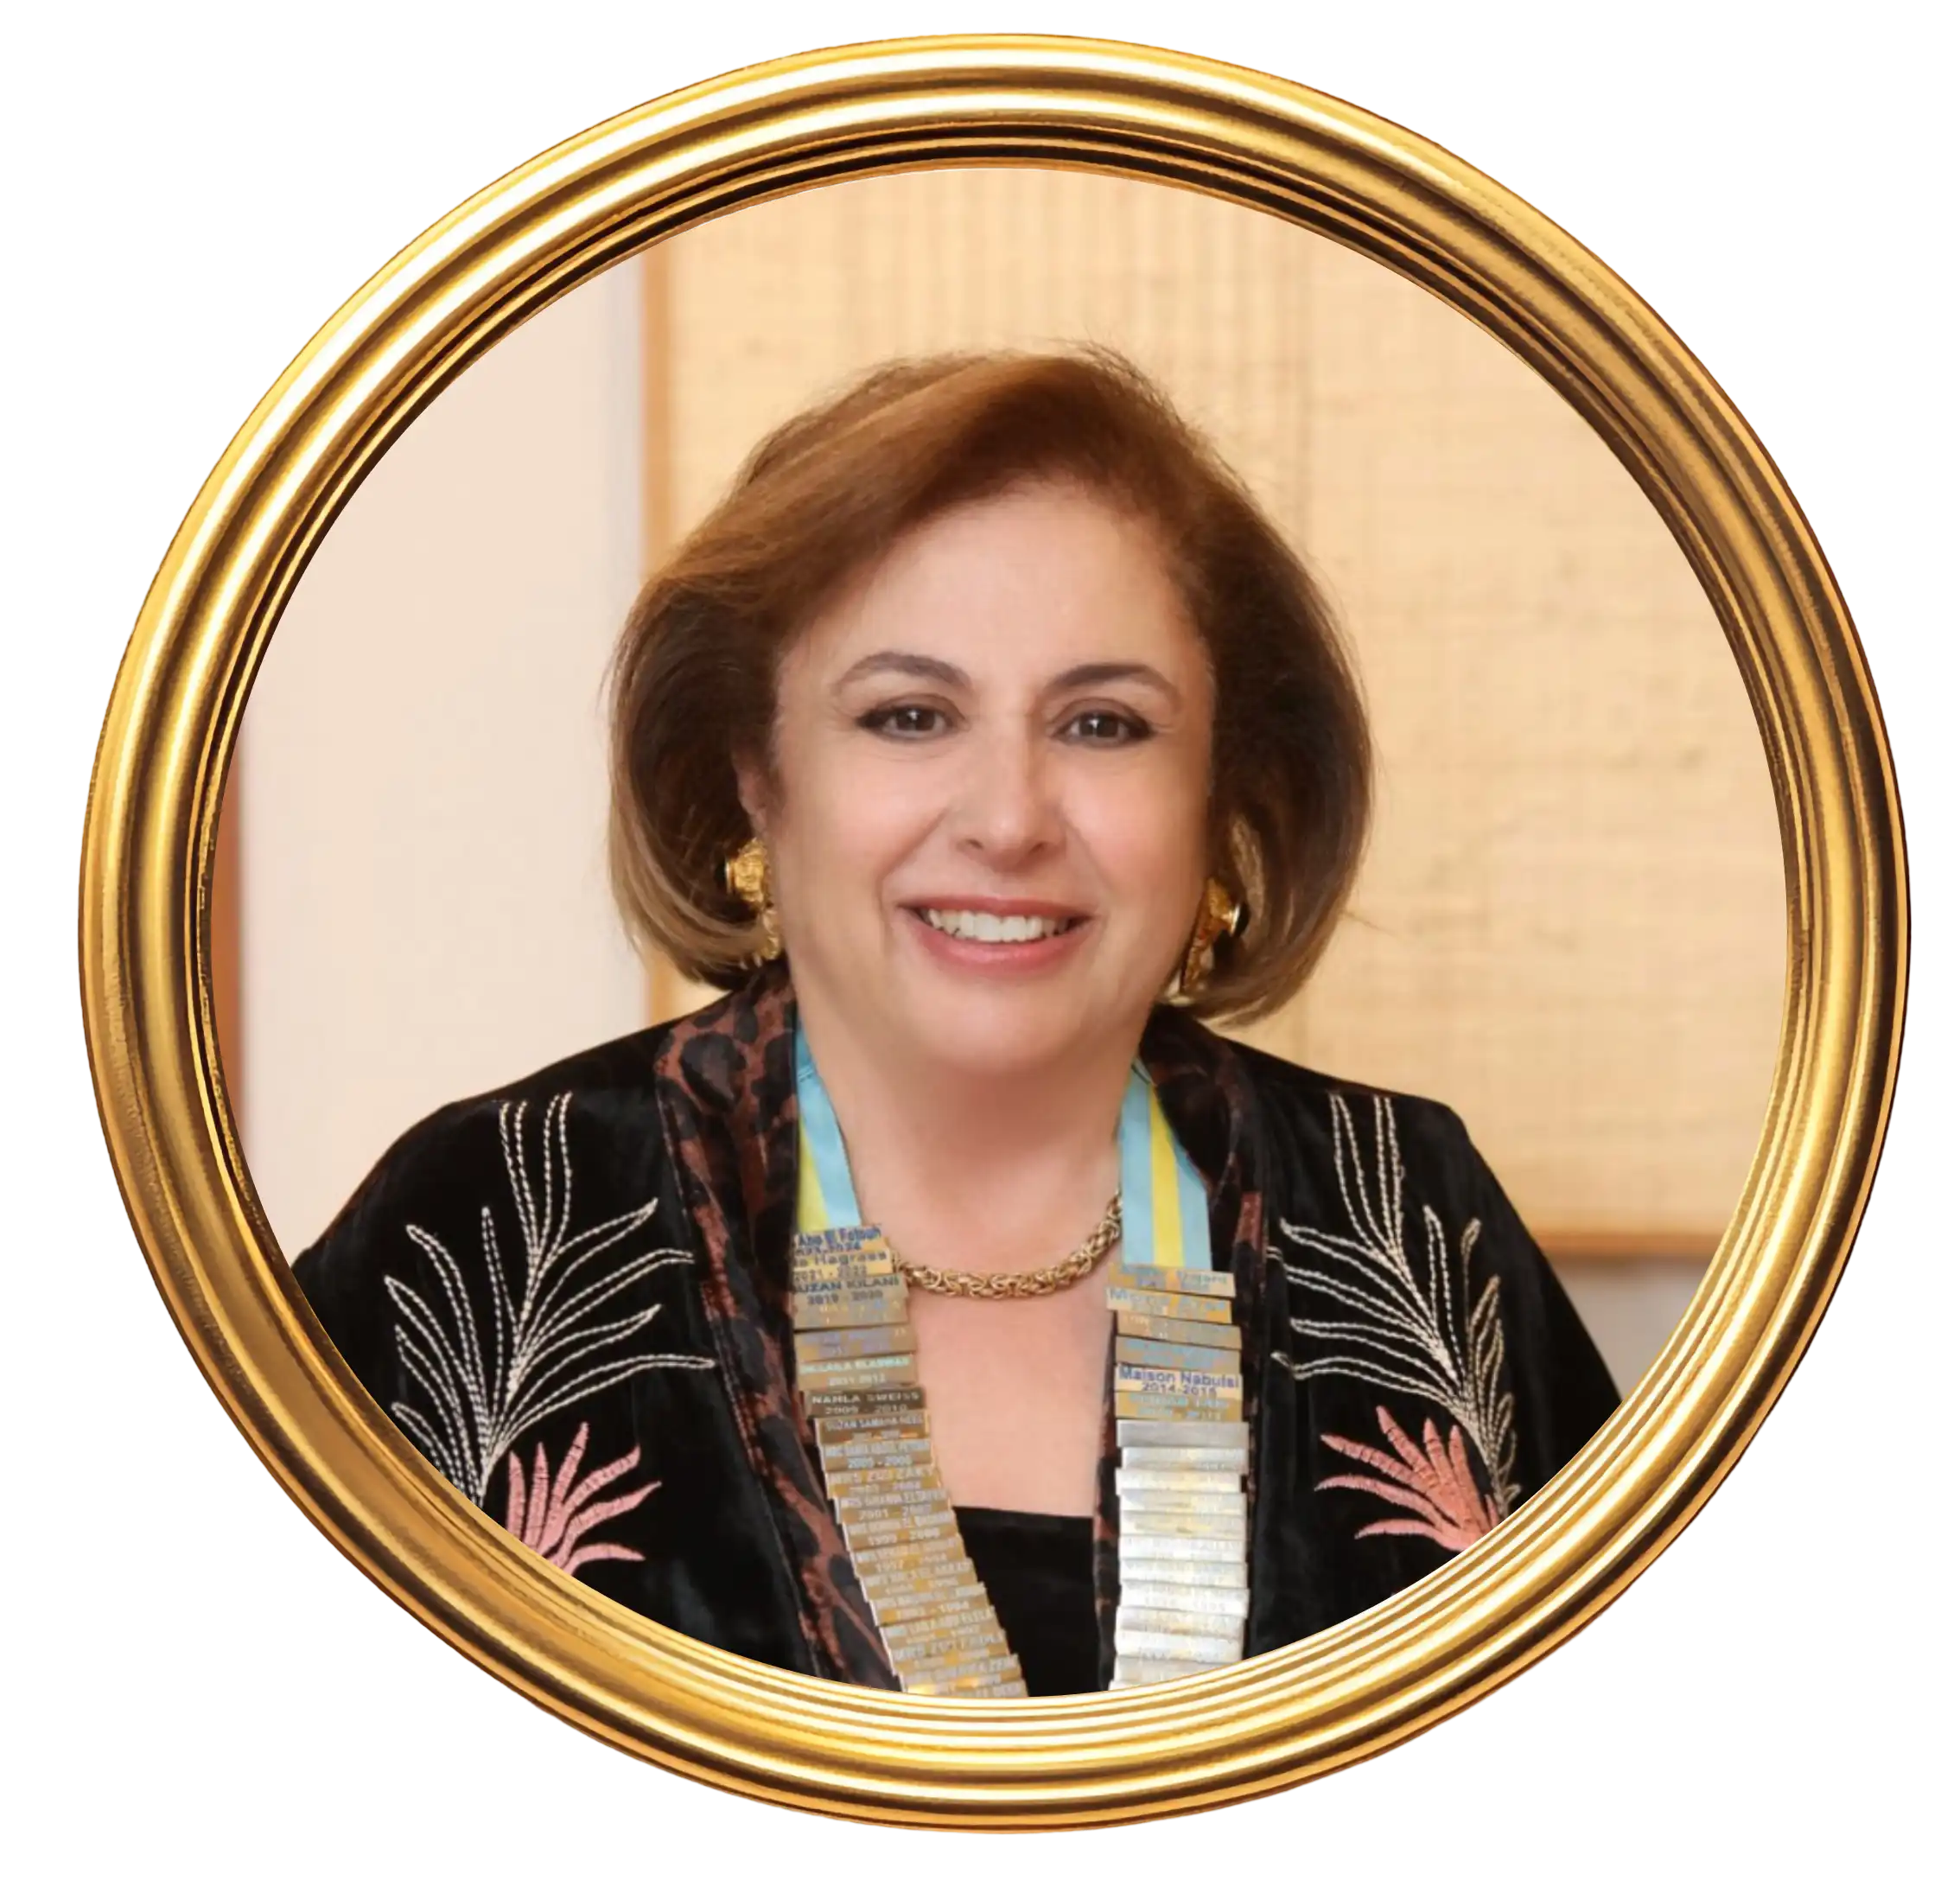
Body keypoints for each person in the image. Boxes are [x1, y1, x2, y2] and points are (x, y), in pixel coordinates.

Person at [295, 347, 1619, 1698]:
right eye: (910, 714)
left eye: (1103, 724)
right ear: (755, 769)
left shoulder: (1411, 1218)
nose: (1008, 818)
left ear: (1222, 792)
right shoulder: (485, 1221)